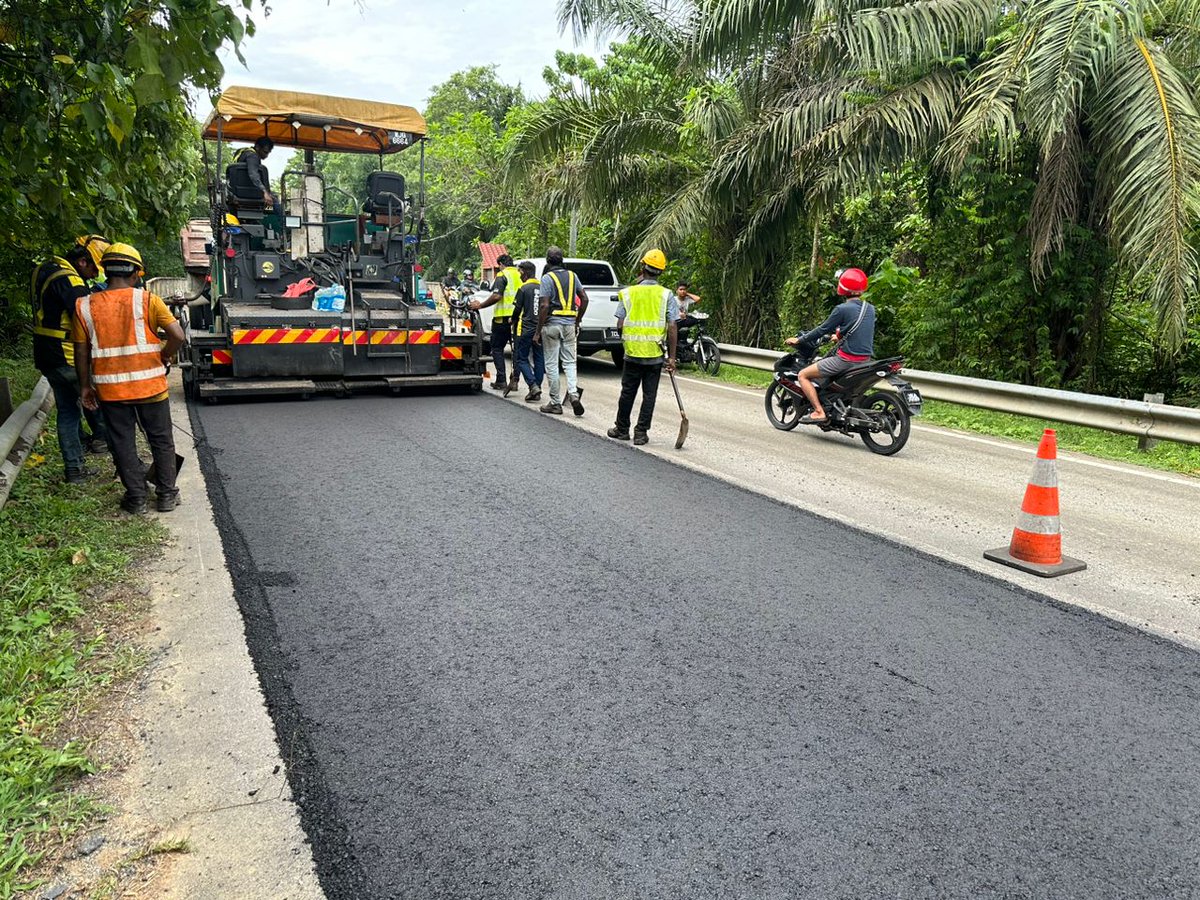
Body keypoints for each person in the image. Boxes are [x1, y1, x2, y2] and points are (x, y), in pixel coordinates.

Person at [74, 243, 185, 515]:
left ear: (104, 271)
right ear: (136, 273)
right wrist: (165, 355)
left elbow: (81, 349)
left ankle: (136, 499)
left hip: (112, 392)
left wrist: (85, 386)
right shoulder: (148, 300)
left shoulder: (85, 306)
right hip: (151, 387)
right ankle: (167, 496)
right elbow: (178, 336)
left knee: (122, 441)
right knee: (161, 439)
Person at [31, 237, 113, 482]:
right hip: (66, 354)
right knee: (98, 402)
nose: (92, 277)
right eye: (93, 270)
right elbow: (86, 320)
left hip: (46, 355)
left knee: (67, 410)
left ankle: (74, 470)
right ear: (82, 261)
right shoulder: (71, 280)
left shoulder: (44, 270)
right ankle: (108, 446)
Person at [785, 267, 875, 424]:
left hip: (845, 361)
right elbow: (859, 328)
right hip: (865, 360)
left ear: (842, 287)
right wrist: (839, 336)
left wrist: (799, 340)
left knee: (803, 375)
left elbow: (821, 330)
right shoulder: (870, 309)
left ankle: (819, 411)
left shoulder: (841, 309)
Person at [606, 249, 678, 445]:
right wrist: (671, 357)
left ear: (642, 267)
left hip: (632, 353)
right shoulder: (666, 295)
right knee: (649, 395)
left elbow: (619, 325)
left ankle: (621, 429)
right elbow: (672, 326)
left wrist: (628, 341)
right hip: (655, 354)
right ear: (660, 272)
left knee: (627, 392)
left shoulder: (628, 293)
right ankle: (640, 432)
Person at [534, 246, 588, 416]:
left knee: (551, 363)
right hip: (569, 324)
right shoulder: (573, 276)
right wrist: (577, 320)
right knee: (570, 362)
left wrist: (538, 331)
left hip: (552, 325)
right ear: (562, 259)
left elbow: (544, 305)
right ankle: (573, 394)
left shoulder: (547, 278)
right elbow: (585, 298)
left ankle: (555, 403)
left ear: (548, 261)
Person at [470, 254, 520, 390]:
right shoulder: (520, 275)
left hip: (502, 319)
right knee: (517, 351)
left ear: (501, 264)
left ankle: (501, 380)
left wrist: (480, 305)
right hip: (518, 319)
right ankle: (515, 380)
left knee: (497, 348)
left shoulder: (502, 275)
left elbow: (497, 295)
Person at [507, 260, 545, 402]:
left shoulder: (524, 288)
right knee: (539, 358)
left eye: (520, 272)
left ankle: (533, 385)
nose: (519, 275)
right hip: (540, 328)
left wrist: (513, 319)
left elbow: (517, 309)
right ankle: (537, 389)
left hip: (527, 328)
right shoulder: (542, 287)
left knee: (521, 358)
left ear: (525, 272)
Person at [236, 137, 280, 213]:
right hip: (252, 194)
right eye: (265, 152)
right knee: (275, 203)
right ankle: (271, 219)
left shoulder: (241, 153)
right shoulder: (253, 156)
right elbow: (253, 175)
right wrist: (265, 192)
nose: (266, 155)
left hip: (238, 193)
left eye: (268, 153)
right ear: (257, 147)